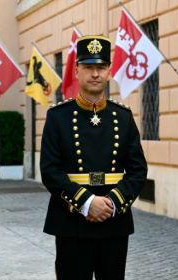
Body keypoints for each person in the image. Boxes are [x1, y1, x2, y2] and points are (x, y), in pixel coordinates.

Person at [40, 35, 148, 280]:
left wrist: (111, 203)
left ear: (109, 72)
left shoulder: (123, 117)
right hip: (71, 221)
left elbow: (138, 170)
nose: (95, 74)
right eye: (88, 67)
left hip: (114, 220)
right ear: (77, 71)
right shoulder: (58, 117)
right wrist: (87, 203)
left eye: (101, 67)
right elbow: (50, 170)